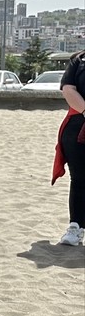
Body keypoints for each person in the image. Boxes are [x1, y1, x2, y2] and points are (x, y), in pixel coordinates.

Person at [53, 50, 85, 246]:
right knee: (80, 178)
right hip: (78, 123)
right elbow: (68, 89)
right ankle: (76, 226)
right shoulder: (78, 60)